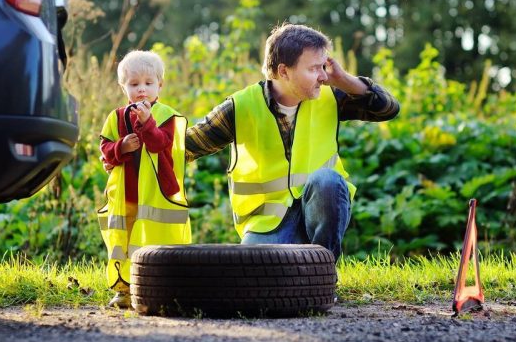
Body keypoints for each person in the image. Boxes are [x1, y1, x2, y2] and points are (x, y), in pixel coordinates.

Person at [185, 23, 399, 260]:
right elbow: (187, 146)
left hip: (318, 210)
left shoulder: (330, 95)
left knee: (327, 180)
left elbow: (388, 109)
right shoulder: (241, 106)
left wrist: (344, 79)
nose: (322, 76)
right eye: (313, 69)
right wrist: (145, 132)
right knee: (255, 277)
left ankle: (323, 272)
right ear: (284, 71)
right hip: (266, 224)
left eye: (323, 67)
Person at [98, 50, 190, 309]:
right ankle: (123, 290)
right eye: (134, 84)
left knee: (156, 242)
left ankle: (161, 288)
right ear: (123, 86)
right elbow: (104, 149)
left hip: (157, 194)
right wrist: (120, 148)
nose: (142, 90)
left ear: (160, 84)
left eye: (148, 83)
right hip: (125, 196)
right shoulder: (115, 117)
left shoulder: (166, 115)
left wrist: (148, 122)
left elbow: (160, 143)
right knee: (123, 244)